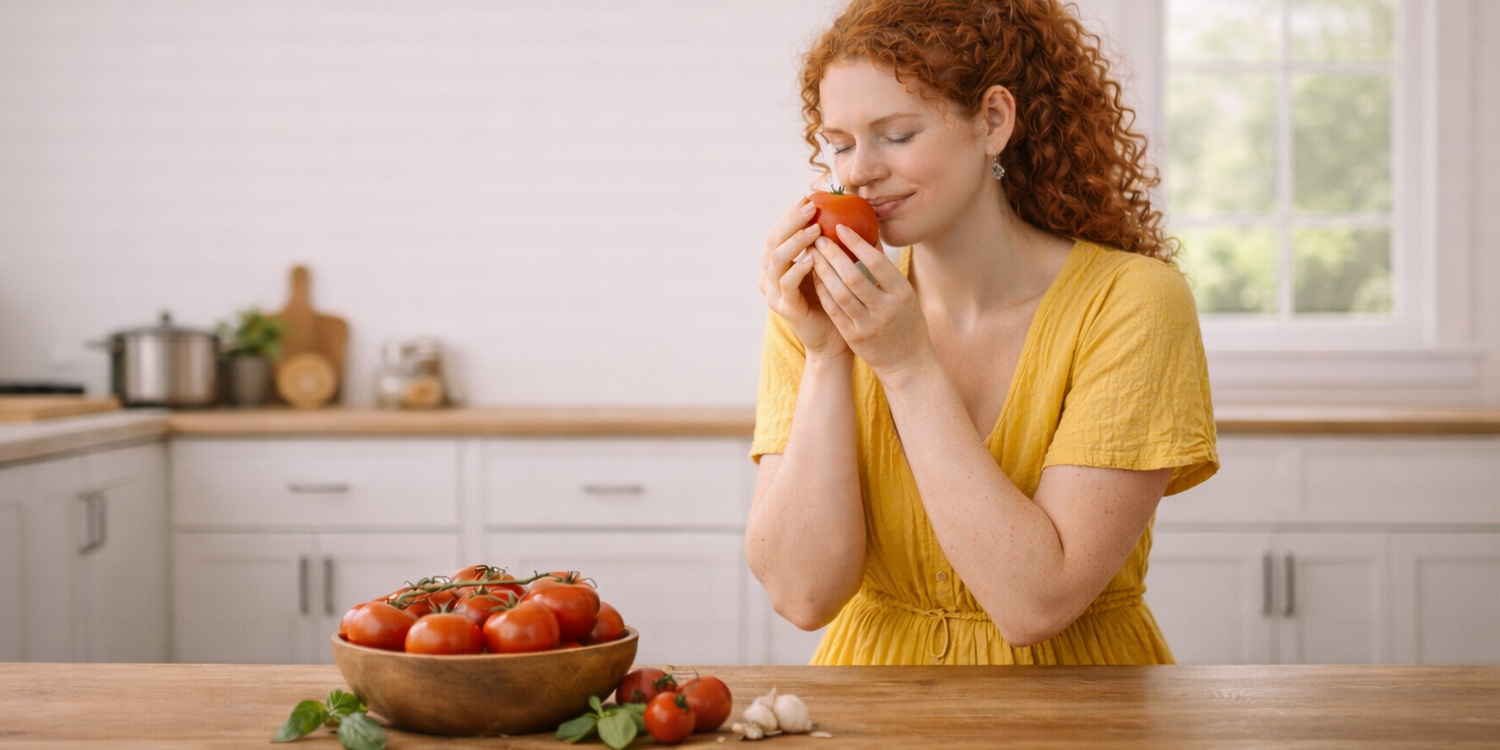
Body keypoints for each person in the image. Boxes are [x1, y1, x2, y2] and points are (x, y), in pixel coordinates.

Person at [747, 0, 1218, 666]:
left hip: (1080, 711)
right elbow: (802, 596)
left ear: (993, 120)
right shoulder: (825, 309)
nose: (857, 172)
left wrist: (907, 365)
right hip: (869, 709)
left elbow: (1035, 603)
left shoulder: (1133, 302)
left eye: (897, 134)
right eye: (841, 143)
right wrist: (827, 358)